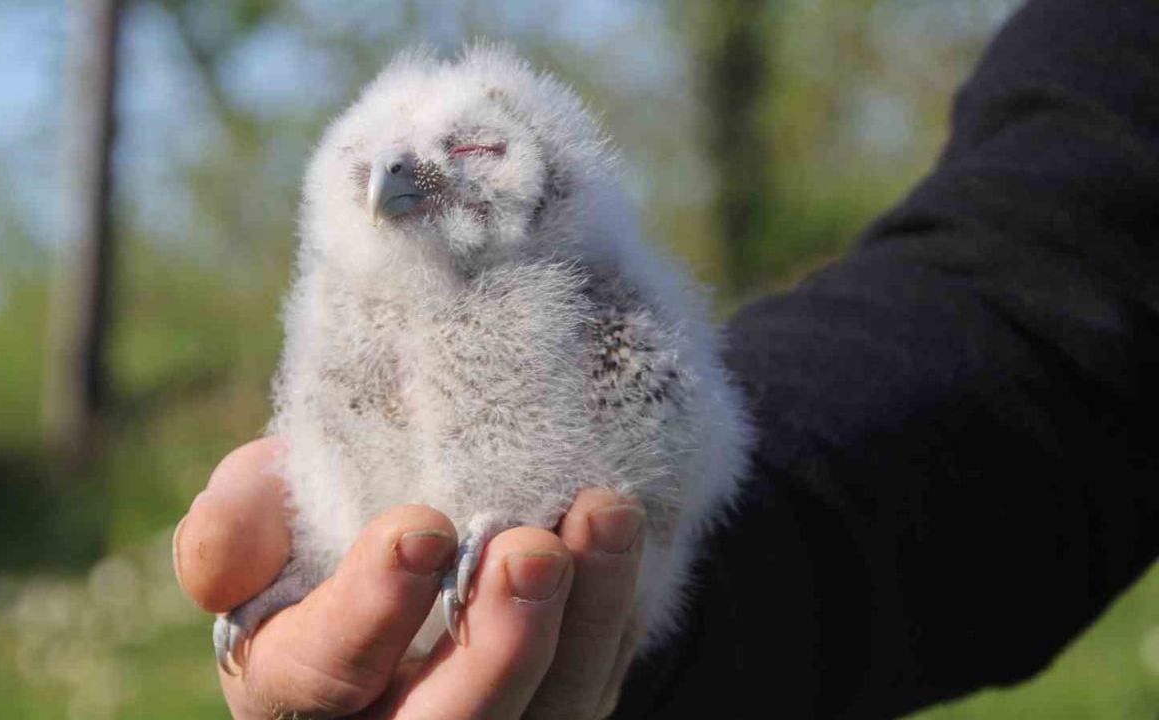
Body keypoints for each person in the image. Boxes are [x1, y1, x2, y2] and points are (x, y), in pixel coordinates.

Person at [172, 0, 1159, 716]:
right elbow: (1049, 305)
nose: (400, 178)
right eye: (367, 168)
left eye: (471, 154)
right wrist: (655, 640)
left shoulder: (579, 298)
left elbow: (660, 441)